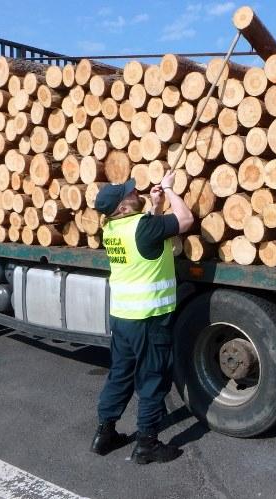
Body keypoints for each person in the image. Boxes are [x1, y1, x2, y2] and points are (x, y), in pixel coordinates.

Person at [89, 172, 194, 464]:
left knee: (120, 375)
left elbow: (147, 241)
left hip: (123, 318)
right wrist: (170, 191)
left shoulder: (111, 229)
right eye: (130, 193)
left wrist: (155, 207)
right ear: (123, 207)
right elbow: (185, 220)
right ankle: (147, 444)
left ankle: (104, 434)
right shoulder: (142, 227)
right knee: (152, 379)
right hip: (149, 319)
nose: (136, 191)